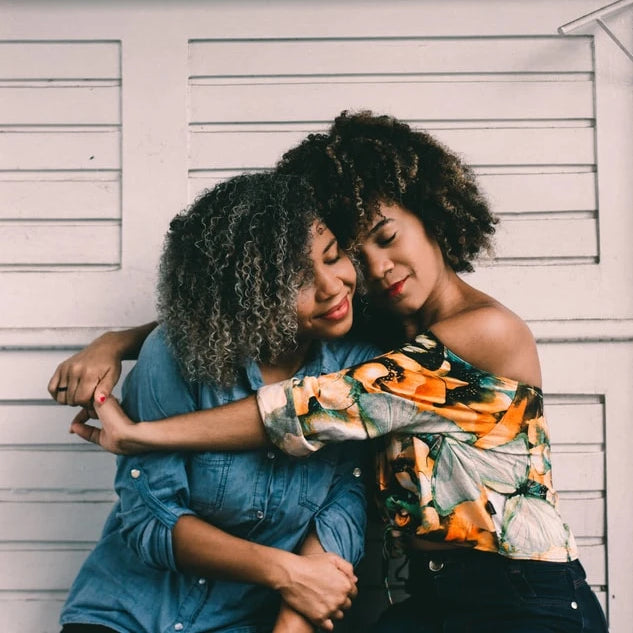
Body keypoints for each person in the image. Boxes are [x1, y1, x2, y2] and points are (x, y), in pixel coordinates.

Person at [52, 112, 608, 632]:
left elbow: (314, 410)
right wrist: (118, 341)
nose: (378, 268)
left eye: (388, 238)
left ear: (431, 212)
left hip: (525, 595)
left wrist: (141, 435)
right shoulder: (388, 337)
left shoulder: (485, 331)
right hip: (429, 599)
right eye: (354, 254)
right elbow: (239, 310)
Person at [56, 172, 382, 633]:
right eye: (294, 282)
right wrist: (287, 573)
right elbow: (152, 519)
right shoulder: (174, 357)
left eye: (333, 257)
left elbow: (342, 505)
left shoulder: (364, 370)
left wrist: (296, 615)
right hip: (126, 613)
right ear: (247, 296)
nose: (332, 287)